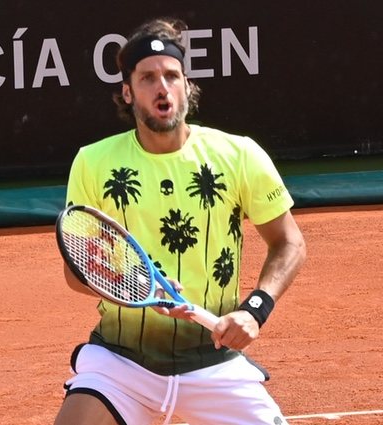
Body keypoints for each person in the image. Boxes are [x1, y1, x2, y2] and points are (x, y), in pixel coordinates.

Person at [54, 17, 306, 425]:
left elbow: (289, 242)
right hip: (121, 362)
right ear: (127, 92)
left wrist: (254, 310)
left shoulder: (239, 154)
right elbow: (76, 271)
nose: (162, 86)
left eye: (172, 75)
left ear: (187, 86)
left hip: (215, 364)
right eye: (148, 78)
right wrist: (132, 287)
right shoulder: (93, 162)